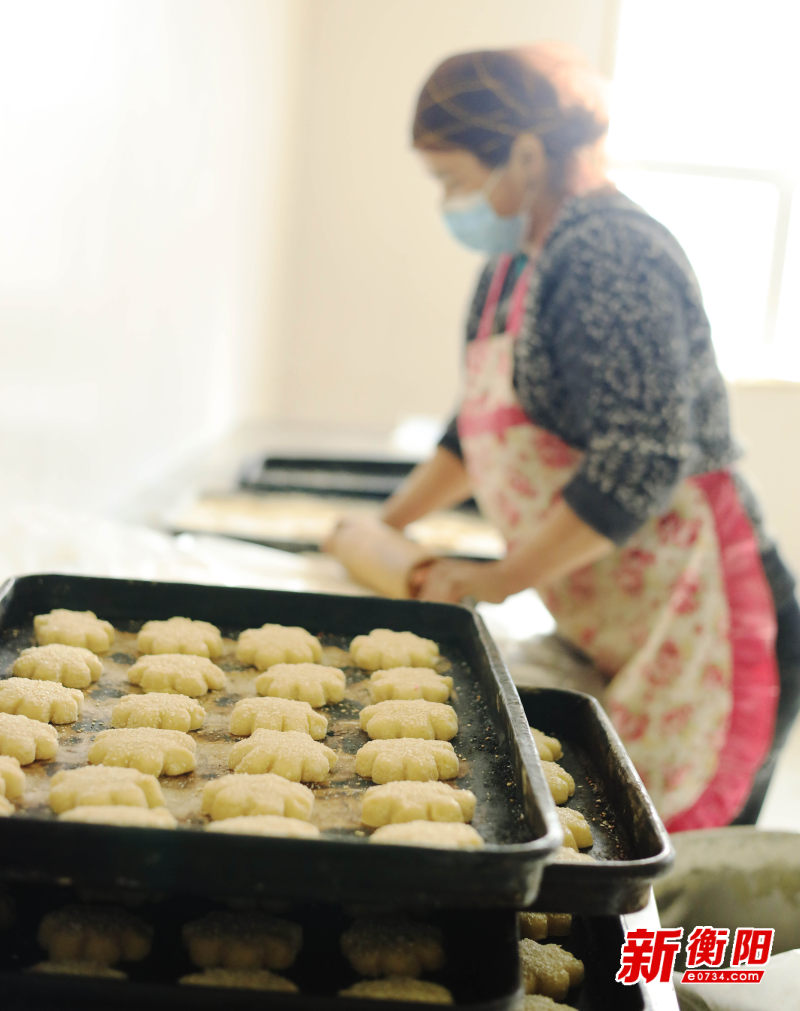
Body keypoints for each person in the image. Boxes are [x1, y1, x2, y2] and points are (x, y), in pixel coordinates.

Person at [347, 44, 800, 831]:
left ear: (525, 154)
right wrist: (383, 528)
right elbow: (475, 434)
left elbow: (641, 460)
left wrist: (501, 576)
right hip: (619, 619)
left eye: (454, 180)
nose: (449, 203)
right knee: (608, 840)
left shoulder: (610, 252)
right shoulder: (516, 262)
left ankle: (700, 965)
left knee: (674, 894)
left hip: (705, 628)